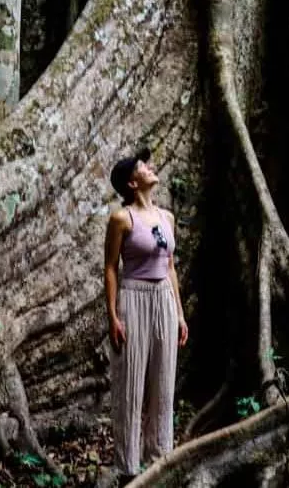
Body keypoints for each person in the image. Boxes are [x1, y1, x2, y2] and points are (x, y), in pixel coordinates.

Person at [104, 147, 189, 480]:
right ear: (132, 182)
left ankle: (158, 461)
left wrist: (179, 314)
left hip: (164, 299)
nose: (151, 167)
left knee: (163, 383)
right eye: (143, 166)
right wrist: (113, 316)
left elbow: (170, 267)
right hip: (133, 298)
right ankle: (128, 469)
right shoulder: (121, 219)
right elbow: (111, 268)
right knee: (130, 384)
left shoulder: (167, 218)